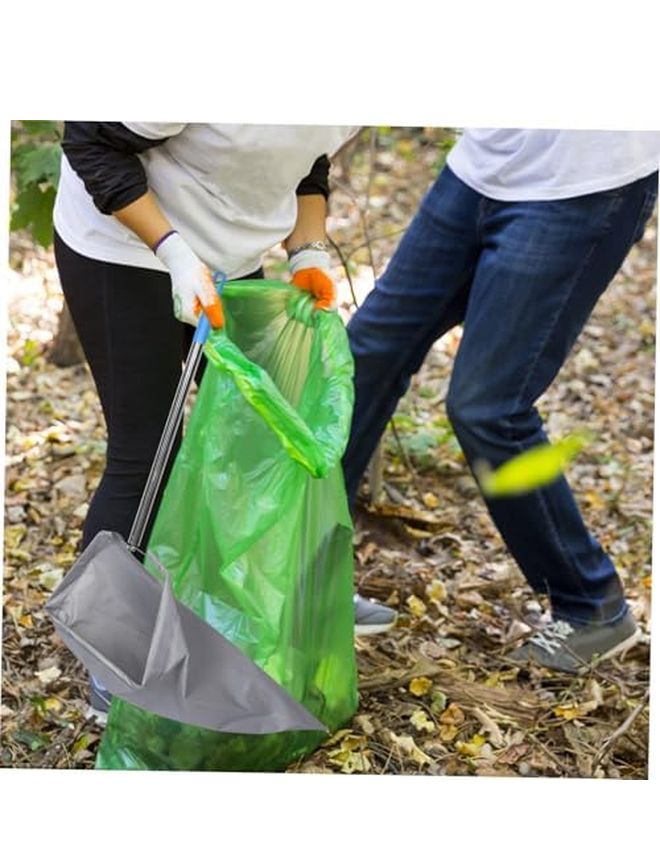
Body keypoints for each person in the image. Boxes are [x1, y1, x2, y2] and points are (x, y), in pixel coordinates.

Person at [52, 120, 390, 718]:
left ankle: (289, 599)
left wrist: (308, 247)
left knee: (264, 441)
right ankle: (111, 652)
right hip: (124, 249)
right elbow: (90, 142)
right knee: (147, 451)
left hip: (229, 255)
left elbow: (307, 159)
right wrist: (175, 254)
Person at [343, 128, 660, 672]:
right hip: (481, 164)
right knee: (364, 359)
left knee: (489, 408)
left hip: (584, 181)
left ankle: (591, 605)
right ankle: (309, 573)